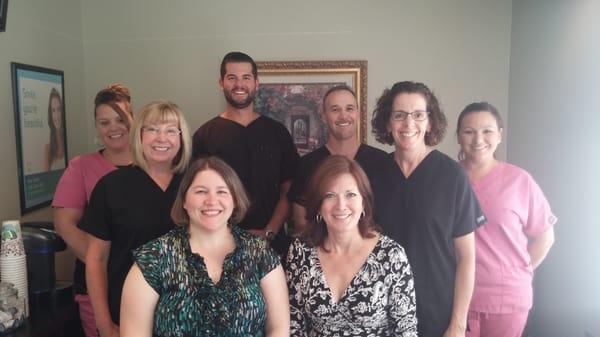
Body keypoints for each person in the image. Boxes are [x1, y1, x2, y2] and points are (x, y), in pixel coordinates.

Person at [120, 156, 290, 337]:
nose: (211, 201)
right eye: (201, 191)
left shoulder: (260, 253)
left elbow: (278, 329)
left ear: (235, 200)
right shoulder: (154, 258)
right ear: (184, 201)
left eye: (222, 192)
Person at [371, 81, 486, 337]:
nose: (408, 124)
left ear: (430, 122)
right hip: (380, 313)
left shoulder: (452, 176)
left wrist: (457, 323)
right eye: (399, 115)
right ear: (388, 123)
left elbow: (467, 258)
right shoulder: (372, 174)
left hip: (438, 316)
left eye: (418, 115)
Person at [81, 100, 192, 337]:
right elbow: (96, 259)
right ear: (139, 136)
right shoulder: (111, 187)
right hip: (126, 314)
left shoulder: (196, 184)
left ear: (182, 138)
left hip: (188, 315)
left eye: (171, 130)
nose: (162, 138)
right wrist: (104, 322)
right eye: (152, 129)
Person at [286, 155, 418, 337]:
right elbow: (294, 325)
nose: (341, 205)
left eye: (350, 195)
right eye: (330, 195)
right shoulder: (301, 252)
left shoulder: (391, 255)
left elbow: (406, 331)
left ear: (363, 202)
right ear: (318, 206)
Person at [456, 102, 556, 337]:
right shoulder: (448, 178)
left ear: (500, 135)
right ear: (459, 137)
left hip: (508, 300)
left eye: (487, 131)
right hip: (459, 296)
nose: (478, 139)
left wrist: (520, 270)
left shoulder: (520, 181)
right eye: (469, 131)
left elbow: (545, 235)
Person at [192, 51, 299, 255]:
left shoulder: (277, 133)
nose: (239, 84)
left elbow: (290, 191)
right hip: (219, 248)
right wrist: (226, 237)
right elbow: (197, 197)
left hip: (271, 246)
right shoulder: (204, 136)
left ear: (256, 83)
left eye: (246, 78)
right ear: (221, 83)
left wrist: (269, 232)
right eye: (232, 78)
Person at [52, 84, 133, 337]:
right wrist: (101, 265)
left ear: (134, 118)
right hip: (99, 287)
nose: (113, 128)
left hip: (148, 286)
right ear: (97, 126)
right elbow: (65, 223)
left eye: (120, 119)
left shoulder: (156, 165)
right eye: (104, 122)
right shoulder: (82, 167)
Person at [288, 85, 387, 235]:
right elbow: (301, 221)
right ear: (323, 116)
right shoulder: (308, 164)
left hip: (373, 253)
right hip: (324, 253)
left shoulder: (382, 162)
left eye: (349, 108)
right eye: (335, 109)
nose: (343, 116)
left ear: (358, 114)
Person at [45, 87, 66, 171]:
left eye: (59, 109)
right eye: (53, 110)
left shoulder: (68, 142)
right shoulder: (48, 148)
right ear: (50, 114)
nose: (56, 116)